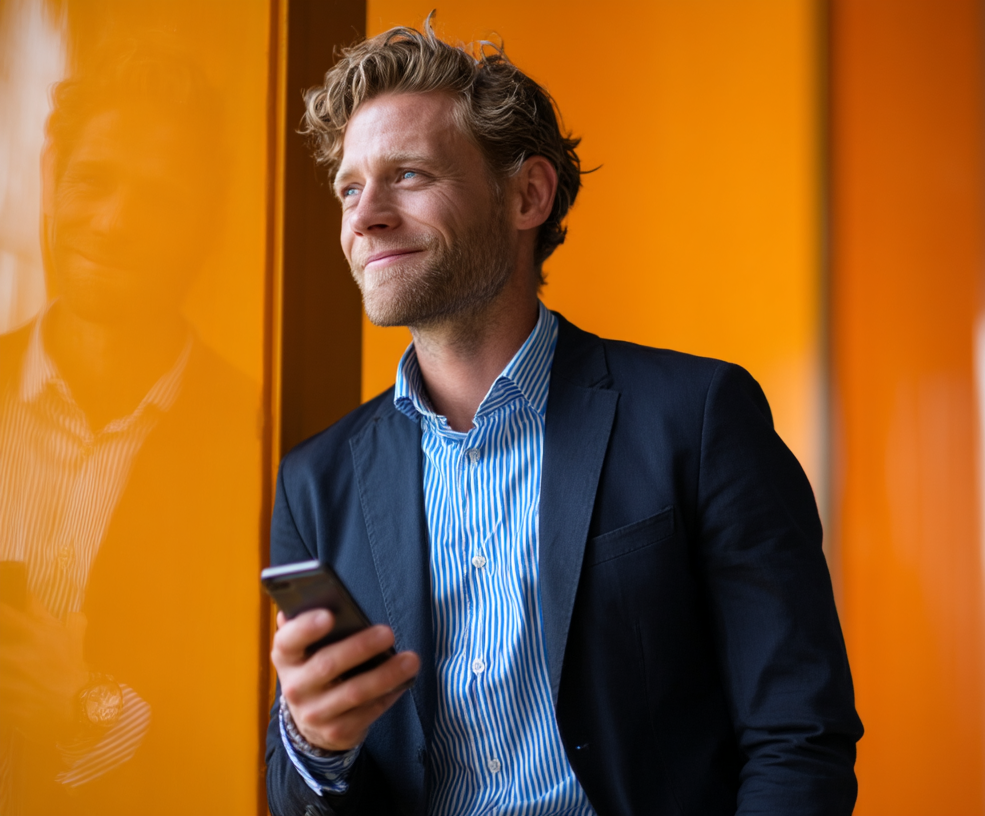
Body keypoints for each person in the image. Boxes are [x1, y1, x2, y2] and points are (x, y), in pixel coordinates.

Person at [264, 19, 861, 816]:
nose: (363, 216)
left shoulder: (699, 416)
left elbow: (799, 735)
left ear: (527, 195)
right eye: (348, 186)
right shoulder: (315, 482)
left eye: (406, 175)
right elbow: (290, 792)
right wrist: (317, 746)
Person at [0, 41, 261, 816]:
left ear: (204, 228)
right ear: (52, 184)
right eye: (92, 181)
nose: (112, 223)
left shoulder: (263, 444)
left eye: (157, 199)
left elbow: (258, 728)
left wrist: (86, 703)